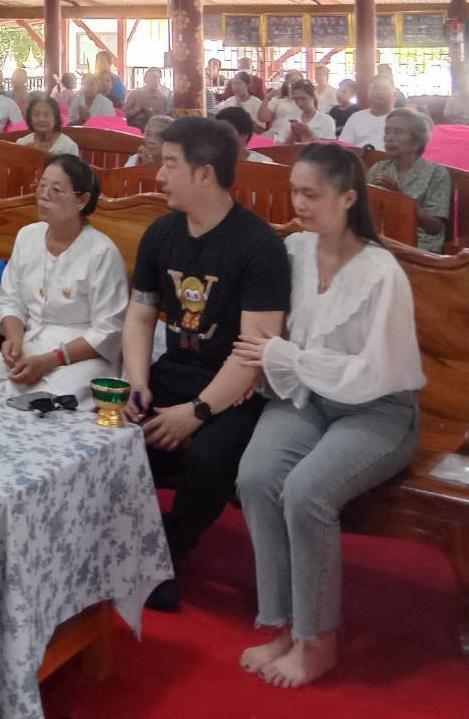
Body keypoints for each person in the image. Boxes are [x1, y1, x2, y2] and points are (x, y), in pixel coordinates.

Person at [234, 145, 423, 688]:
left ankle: (319, 640)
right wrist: (281, 362)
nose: (300, 203)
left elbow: (375, 373)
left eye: (312, 194)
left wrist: (286, 357)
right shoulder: (293, 251)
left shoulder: (380, 272)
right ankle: (283, 627)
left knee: (306, 491)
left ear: (347, 198)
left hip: (379, 410)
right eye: (295, 191)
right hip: (307, 396)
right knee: (257, 477)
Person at [124, 117, 290, 612]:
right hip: (172, 371)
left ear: (205, 173)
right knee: (111, 436)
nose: (159, 175)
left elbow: (254, 350)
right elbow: (140, 314)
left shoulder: (259, 246)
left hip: (237, 389)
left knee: (210, 456)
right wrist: (137, 384)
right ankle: (135, 543)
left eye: (170, 164)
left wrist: (196, 411)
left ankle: (171, 548)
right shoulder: (161, 233)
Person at [0, 155, 126, 399]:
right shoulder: (28, 236)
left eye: (56, 190)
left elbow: (108, 330)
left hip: (84, 356)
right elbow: (9, 299)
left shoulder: (102, 252)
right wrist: (14, 340)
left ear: (82, 200)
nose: (44, 195)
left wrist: (49, 361)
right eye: (41, 186)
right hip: (32, 343)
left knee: (48, 401)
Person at [367, 108, 451, 253]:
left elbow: (435, 227)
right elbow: (363, 213)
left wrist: (400, 199)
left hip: (418, 248)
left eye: (398, 132)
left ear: (417, 142)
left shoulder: (437, 174)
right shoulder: (378, 169)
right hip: (380, 242)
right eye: (387, 131)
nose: (389, 138)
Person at [339, 75, 396, 151]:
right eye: (375, 88)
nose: (379, 92)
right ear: (368, 92)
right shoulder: (356, 118)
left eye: (384, 88)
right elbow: (344, 147)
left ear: (393, 93)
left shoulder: (401, 119)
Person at [258, 72, 305, 142]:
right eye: (292, 81)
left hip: (298, 135)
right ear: (287, 84)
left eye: (298, 82)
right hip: (276, 133)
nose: (295, 84)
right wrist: (267, 98)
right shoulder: (278, 100)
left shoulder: (307, 101)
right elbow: (263, 118)